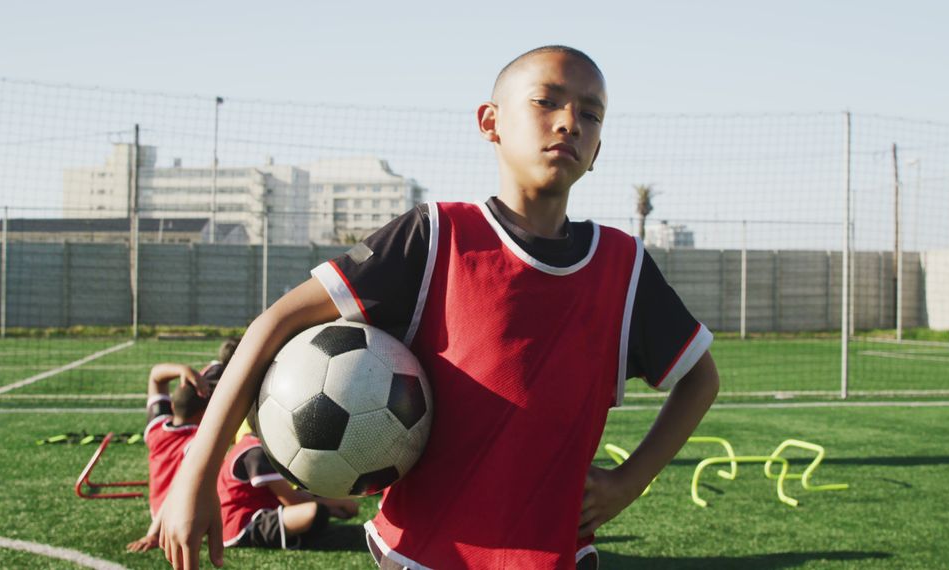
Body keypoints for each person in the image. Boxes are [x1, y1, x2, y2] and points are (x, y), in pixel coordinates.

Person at [158, 45, 720, 570]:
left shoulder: (621, 265)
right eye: (546, 101)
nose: (569, 121)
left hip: (558, 556)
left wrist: (627, 482)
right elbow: (273, 323)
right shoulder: (435, 236)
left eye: (591, 114)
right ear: (490, 122)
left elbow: (701, 379)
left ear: (597, 150)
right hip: (421, 555)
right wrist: (196, 476)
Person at [126, 338, 238, 553]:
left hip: (158, 509)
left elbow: (156, 376)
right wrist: (153, 534)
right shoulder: (197, 444)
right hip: (178, 514)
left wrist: (182, 370)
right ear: (203, 413)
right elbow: (175, 489)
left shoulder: (156, 428)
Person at [217, 430, 360, 550]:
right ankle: (305, 534)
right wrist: (336, 504)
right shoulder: (255, 452)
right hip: (243, 526)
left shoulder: (252, 443)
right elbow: (292, 501)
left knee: (314, 508)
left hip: (258, 514)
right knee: (313, 511)